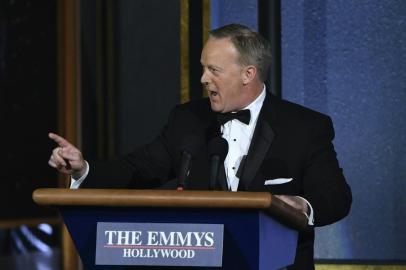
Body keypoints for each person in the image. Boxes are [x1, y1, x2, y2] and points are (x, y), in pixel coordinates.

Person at [48, 24, 352, 269]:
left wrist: (304, 207)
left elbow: (336, 197)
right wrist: (84, 169)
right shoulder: (187, 120)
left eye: (214, 70)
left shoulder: (305, 127)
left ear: (249, 74)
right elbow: (139, 168)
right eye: (203, 68)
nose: (203, 79)